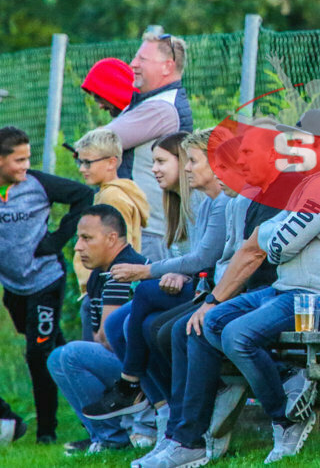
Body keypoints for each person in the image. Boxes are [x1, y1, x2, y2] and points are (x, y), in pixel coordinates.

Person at [160, 110, 320, 466]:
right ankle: (286, 381)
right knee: (210, 322)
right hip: (291, 291)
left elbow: (278, 246)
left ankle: (285, 418)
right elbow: (267, 239)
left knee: (237, 335)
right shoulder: (312, 183)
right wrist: (263, 239)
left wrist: (264, 236)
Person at [82, 129, 229, 424]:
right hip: (194, 285)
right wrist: (175, 273)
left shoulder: (212, 200)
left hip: (212, 291)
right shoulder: (183, 204)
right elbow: (189, 258)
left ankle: (133, 386)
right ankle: (163, 410)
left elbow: (205, 259)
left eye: (162, 161)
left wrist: (154, 272)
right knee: (122, 323)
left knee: (147, 301)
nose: (154, 169)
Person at [0, 126, 93, 444]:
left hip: (46, 280)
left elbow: (83, 196)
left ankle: (47, 432)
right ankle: (95, 398)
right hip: (13, 288)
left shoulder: (38, 184)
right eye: (18, 160)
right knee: (53, 344)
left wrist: (56, 240)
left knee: (38, 353)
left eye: (28, 159)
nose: (25, 166)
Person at [47, 205, 149, 455]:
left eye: (86, 238)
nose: (78, 246)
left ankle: (111, 438)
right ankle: (107, 435)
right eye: (78, 238)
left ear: (112, 238)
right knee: (63, 357)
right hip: (128, 365)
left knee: (66, 357)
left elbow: (107, 338)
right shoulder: (101, 272)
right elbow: (100, 338)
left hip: (145, 370)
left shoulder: (122, 270)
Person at [106, 32, 193, 262]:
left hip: (147, 230)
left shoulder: (160, 108)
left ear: (167, 66)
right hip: (140, 226)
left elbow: (96, 145)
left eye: (142, 59)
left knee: (132, 294)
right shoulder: (150, 102)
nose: (132, 64)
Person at [71, 128, 150, 297]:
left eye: (88, 163)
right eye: (80, 162)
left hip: (106, 287)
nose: (82, 169)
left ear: (111, 162)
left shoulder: (112, 196)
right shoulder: (107, 192)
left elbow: (120, 248)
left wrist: (96, 285)